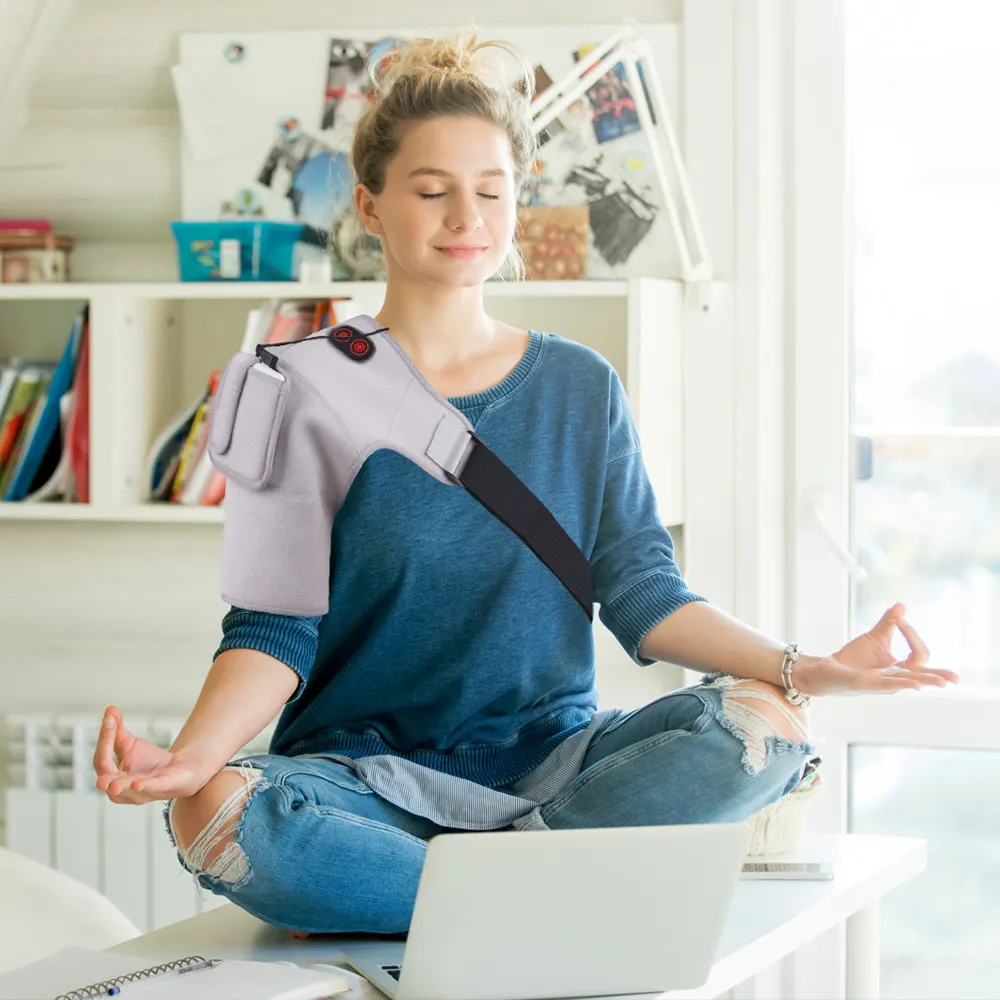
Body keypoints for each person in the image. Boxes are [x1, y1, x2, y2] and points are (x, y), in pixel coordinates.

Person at [93, 29, 957, 937]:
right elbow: (275, 628)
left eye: (491, 192)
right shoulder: (292, 390)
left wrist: (805, 666)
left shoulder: (580, 385)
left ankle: (461, 898)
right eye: (431, 192)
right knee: (212, 816)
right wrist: (191, 761)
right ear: (371, 206)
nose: (466, 216)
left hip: (556, 764)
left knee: (769, 725)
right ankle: (548, 895)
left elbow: (643, 595)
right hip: (363, 780)